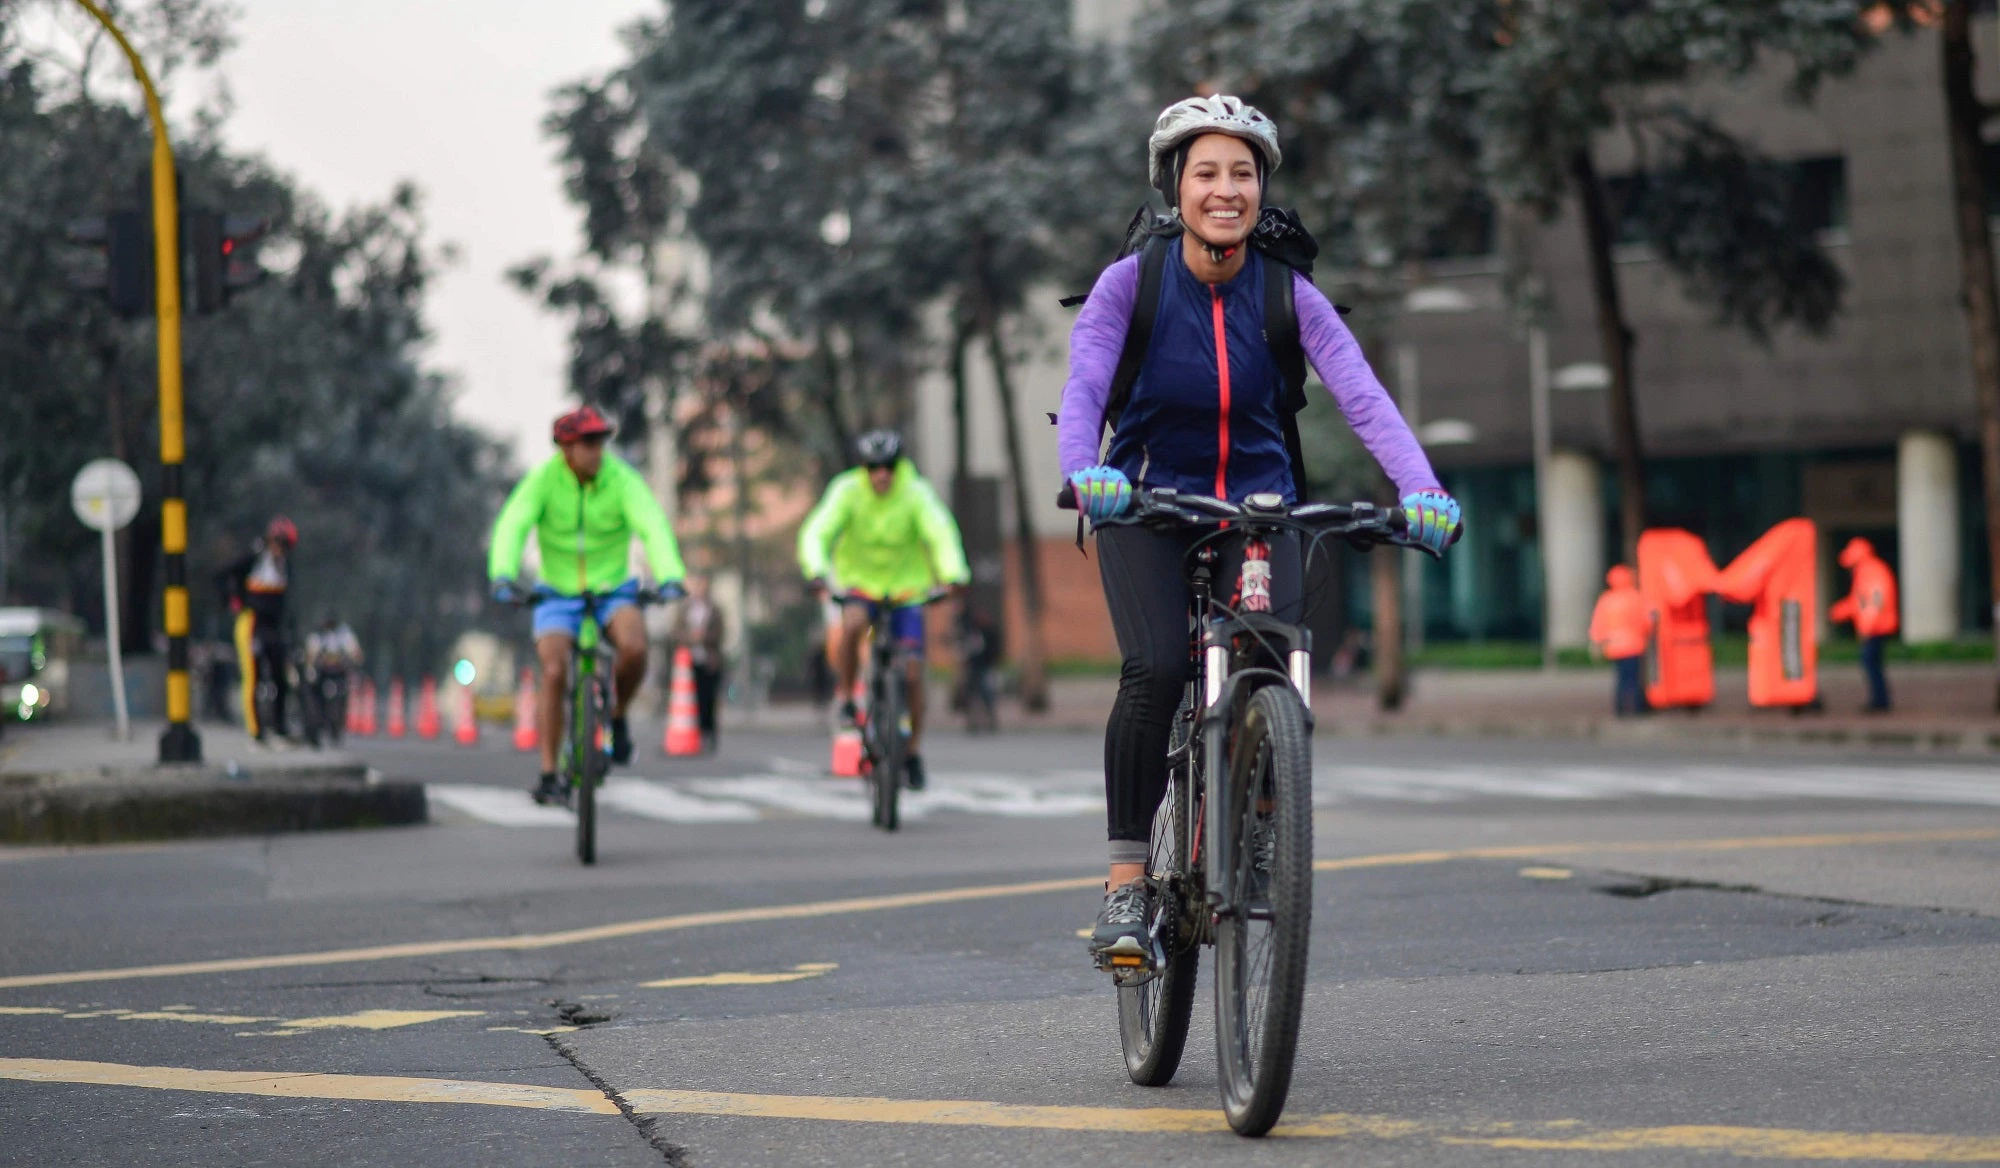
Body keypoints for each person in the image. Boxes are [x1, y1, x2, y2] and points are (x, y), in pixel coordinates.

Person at [1057, 96, 1460, 969]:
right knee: (1157, 667)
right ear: (1177, 187)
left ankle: (1266, 819)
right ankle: (1128, 880)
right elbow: (1086, 381)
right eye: (1207, 172)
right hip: (1146, 503)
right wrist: (1088, 475)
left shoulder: (1286, 291)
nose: (1227, 189)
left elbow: (1361, 393)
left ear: (1261, 186)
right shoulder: (1134, 282)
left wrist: (1421, 485)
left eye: (1243, 172)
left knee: (1272, 660)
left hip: (1261, 507)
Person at [489, 405, 686, 804]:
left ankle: (616, 716)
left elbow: (652, 524)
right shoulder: (543, 481)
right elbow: (513, 523)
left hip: (614, 587)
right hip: (557, 592)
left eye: (601, 442)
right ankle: (549, 774)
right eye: (588, 443)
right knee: (554, 668)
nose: (598, 451)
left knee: (634, 647)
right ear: (565, 448)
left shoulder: (621, 480)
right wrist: (503, 574)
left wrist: (670, 576)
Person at [797, 429, 971, 791]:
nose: (882, 474)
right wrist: (815, 570)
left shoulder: (915, 492)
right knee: (853, 623)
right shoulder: (846, 491)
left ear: (899, 466)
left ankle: (911, 751)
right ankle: (846, 696)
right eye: (874, 467)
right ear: (864, 468)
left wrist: (953, 574)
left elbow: (940, 533)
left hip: (907, 590)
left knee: (912, 675)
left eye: (889, 467)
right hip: (860, 585)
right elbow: (818, 531)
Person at [221, 515, 298, 743]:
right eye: (277, 543)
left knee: (281, 679)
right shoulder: (254, 558)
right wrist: (235, 601)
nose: (280, 549)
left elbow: (286, 603)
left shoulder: (285, 566)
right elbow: (226, 575)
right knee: (252, 677)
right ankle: (256, 732)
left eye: (285, 546)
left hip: (274, 627)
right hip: (251, 623)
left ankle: (280, 726)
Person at [1830, 537, 1899, 712]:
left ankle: (1880, 701)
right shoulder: (1866, 571)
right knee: (1872, 663)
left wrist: (1868, 626)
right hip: (1875, 625)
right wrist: (1839, 611)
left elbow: (1876, 601)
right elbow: (1859, 601)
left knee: (1871, 662)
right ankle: (1879, 699)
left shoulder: (1871, 571)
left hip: (1876, 626)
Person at [668, 575, 727, 753]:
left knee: (709, 698)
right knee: (693, 701)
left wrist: (704, 637)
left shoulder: (715, 610)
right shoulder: (684, 609)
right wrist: (690, 638)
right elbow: (675, 632)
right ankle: (695, 734)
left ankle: (709, 733)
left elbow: (720, 633)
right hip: (688, 662)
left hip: (709, 660)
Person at [1589, 565, 1652, 717]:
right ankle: (1636, 708)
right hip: (1634, 645)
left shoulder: (1606, 599)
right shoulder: (1636, 597)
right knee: (1634, 679)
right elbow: (1646, 621)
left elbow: (1598, 623)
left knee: (1621, 679)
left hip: (1614, 647)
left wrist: (1596, 643)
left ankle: (1620, 709)